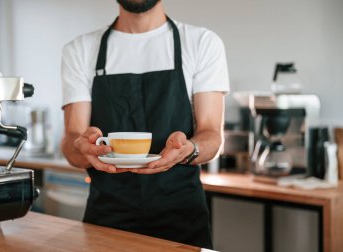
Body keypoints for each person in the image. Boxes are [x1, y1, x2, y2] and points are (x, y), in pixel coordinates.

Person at [61, 0, 229, 249]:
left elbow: (212, 135)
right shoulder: (81, 50)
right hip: (107, 216)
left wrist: (188, 149)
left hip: (181, 217)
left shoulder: (202, 42)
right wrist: (83, 148)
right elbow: (72, 139)